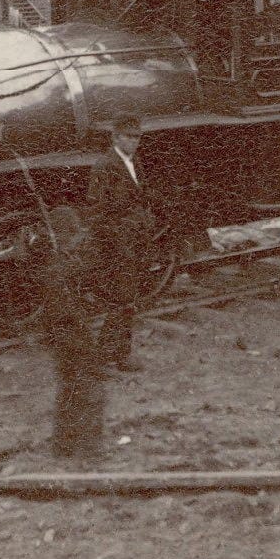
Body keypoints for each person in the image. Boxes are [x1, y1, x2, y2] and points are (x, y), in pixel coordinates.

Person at [30, 205, 104, 461]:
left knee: (69, 390)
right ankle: (87, 448)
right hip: (71, 335)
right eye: (74, 237)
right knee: (87, 390)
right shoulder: (58, 271)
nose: (79, 241)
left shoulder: (57, 265)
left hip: (65, 334)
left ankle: (65, 445)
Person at [85, 115, 155, 372]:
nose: (134, 142)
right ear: (115, 138)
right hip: (118, 245)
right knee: (123, 300)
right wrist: (116, 244)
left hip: (135, 241)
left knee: (127, 301)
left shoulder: (133, 162)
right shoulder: (104, 166)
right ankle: (111, 355)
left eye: (137, 137)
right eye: (129, 137)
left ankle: (113, 355)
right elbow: (98, 210)